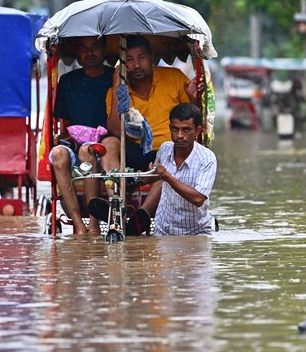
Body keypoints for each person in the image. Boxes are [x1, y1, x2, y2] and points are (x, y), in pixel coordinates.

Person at [101, 35, 202, 172]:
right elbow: (114, 130)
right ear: (123, 64)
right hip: (135, 151)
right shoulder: (117, 90)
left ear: (151, 57)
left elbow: (192, 121)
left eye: (142, 58)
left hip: (172, 149)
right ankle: (115, 190)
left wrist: (192, 98)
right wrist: (117, 89)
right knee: (108, 144)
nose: (136, 65)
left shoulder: (174, 77)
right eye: (129, 60)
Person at [49, 36, 113, 234]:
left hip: (106, 144)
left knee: (88, 150)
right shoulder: (68, 81)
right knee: (58, 154)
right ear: (77, 52)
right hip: (74, 143)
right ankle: (78, 224)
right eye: (84, 48)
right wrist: (65, 139)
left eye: (94, 47)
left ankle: (94, 224)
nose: (89, 53)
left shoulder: (115, 77)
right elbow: (65, 123)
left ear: (103, 50)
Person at [143, 102, 217, 235]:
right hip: (163, 229)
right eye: (175, 129)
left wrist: (166, 176)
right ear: (170, 128)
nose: (179, 135)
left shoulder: (207, 158)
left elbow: (198, 199)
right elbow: (156, 176)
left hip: (196, 232)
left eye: (186, 130)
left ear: (198, 131)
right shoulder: (165, 149)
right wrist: (144, 176)